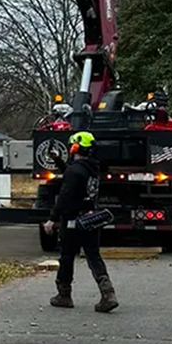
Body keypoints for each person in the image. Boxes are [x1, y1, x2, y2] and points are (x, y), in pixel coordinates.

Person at [47, 131, 118, 312]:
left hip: (72, 221)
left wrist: (52, 219)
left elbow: (65, 195)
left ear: (75, 147)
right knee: (93, 255)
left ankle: (64, 295)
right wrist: (58, 161)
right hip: (90, 219)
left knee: (67, 257)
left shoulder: (76, 170)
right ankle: (108, 293)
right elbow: (73, 174)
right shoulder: (92, 168)